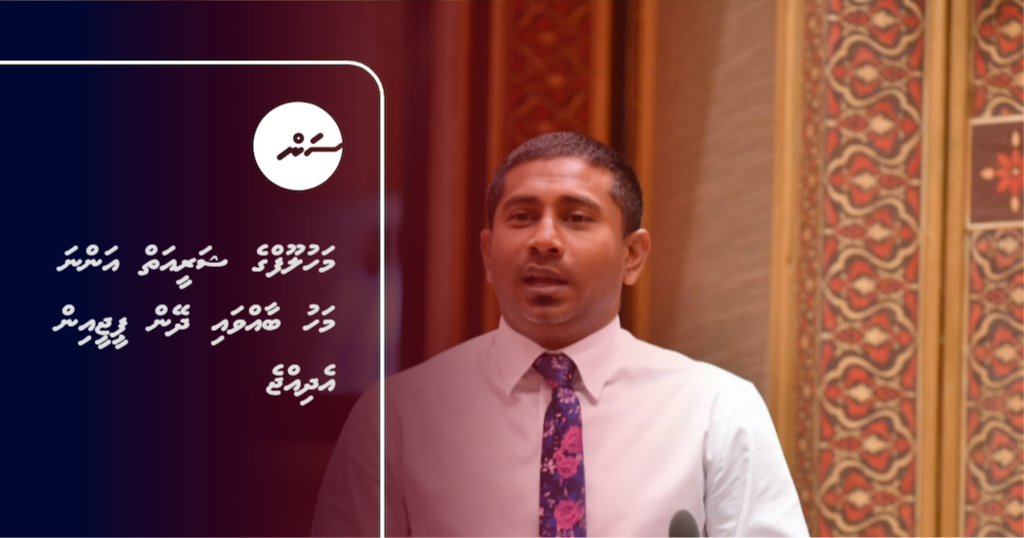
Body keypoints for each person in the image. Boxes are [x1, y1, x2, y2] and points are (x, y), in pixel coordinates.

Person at [312, 132, 808, 537]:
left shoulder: (717, 410)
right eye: (522, 216)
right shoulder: (395, 419)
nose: (544, 239)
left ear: (632, 256)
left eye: (576, 217)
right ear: (488, 255)